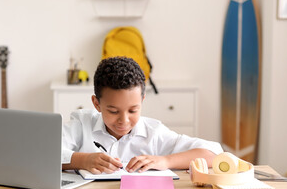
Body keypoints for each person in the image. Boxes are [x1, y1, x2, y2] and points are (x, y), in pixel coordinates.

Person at [62, 57, 223, 174]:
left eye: (133, 110)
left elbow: (215, 153)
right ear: (97, 104)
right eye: (113, 111)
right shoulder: (82, 124)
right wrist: (82, 160)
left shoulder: (154, 132)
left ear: (142, 100)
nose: (123, 120)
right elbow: (42, 152)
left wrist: (166, 161)